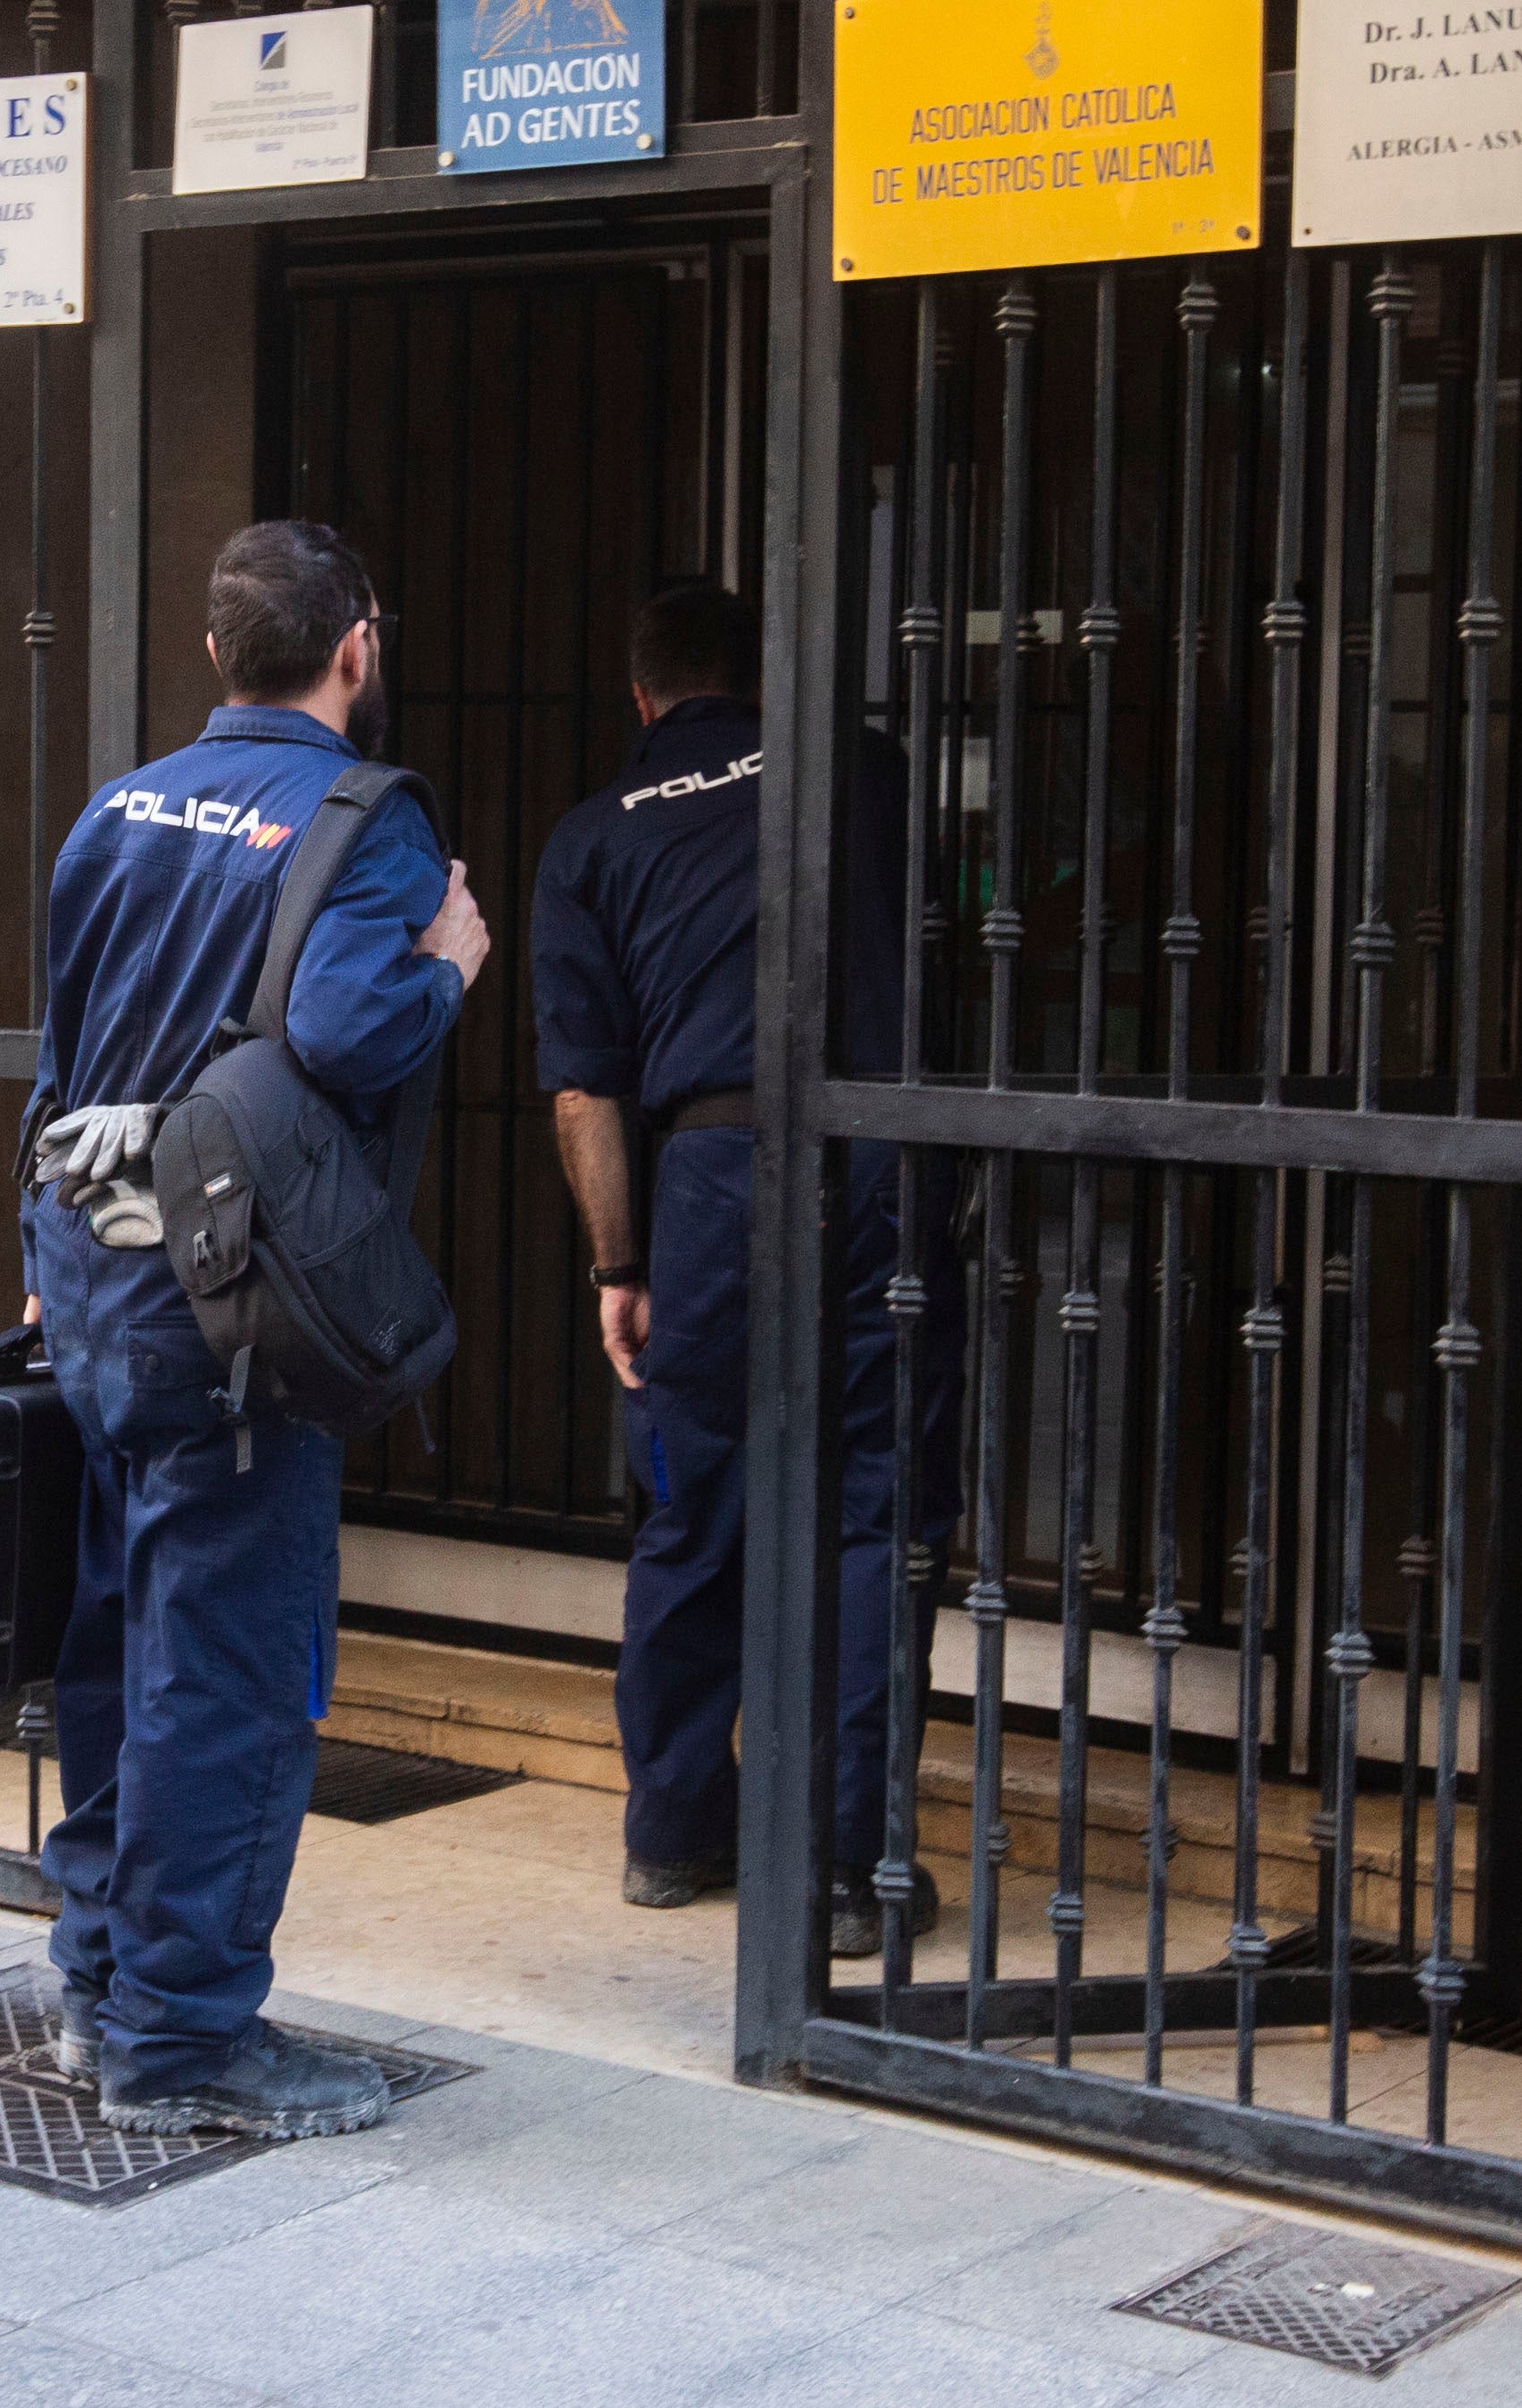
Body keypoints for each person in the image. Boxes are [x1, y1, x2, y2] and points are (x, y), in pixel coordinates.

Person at [22, 520, 488, 2138]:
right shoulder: (369, 820)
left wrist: (42, 1263)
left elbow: (66, 1047)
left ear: (219, 651)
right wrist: (450, 965)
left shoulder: (119, 804)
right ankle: (186, 2035)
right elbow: (352, 1031)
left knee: (112, 1644)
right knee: (223, 1671)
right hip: (232, 1316)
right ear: (358, 646)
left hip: (92, 1287)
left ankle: (96, 1983)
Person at [528, 579, 954, 1958]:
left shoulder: (593, 841)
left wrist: (622, 1263)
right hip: (881, 1161)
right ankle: (843, 1868)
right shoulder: (865, 776)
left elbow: (584, 1094)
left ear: (643, 697)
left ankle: (672, 1830)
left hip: (708, 1186)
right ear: (762, 686)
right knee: (870, 1518)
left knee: (695, 1507)